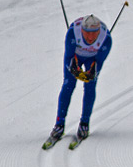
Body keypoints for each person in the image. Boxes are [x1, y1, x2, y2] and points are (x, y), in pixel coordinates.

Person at [47, 14, 113, 143]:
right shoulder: (73, 33)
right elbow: (68, 57)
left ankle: (84, 123)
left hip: (93, 59)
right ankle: (59, 124)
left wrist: (90, 74)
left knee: (90, 86)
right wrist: (74, 70)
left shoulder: (106, 39)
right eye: (87, 33)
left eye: (94, 33)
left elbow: (99, 63)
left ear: (99, 31)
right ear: (82, 30)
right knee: (68, 85)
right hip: (75, 56)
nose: (90, 37)